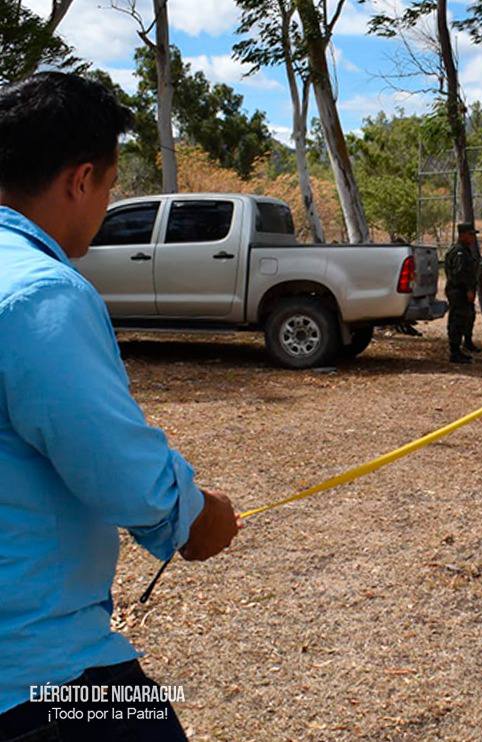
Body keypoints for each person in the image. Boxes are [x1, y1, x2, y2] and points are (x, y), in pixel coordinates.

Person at [0, 73, 240, 741]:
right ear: (81, 179)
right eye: (109, 186)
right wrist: (195, 517)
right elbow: (115, 466)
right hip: (36, 675)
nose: (107, 203)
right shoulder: (40, 294)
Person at [444, 223, 480, 363]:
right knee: (457, 320)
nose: (473, 238)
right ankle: (454, 352)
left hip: (462, 291)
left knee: (466, 318)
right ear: (462, 235)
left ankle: (462, 346)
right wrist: (469, 290)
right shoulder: (459, 252)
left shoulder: (465, 250)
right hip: (458, 291)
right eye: (470, 235)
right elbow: (459, 275)